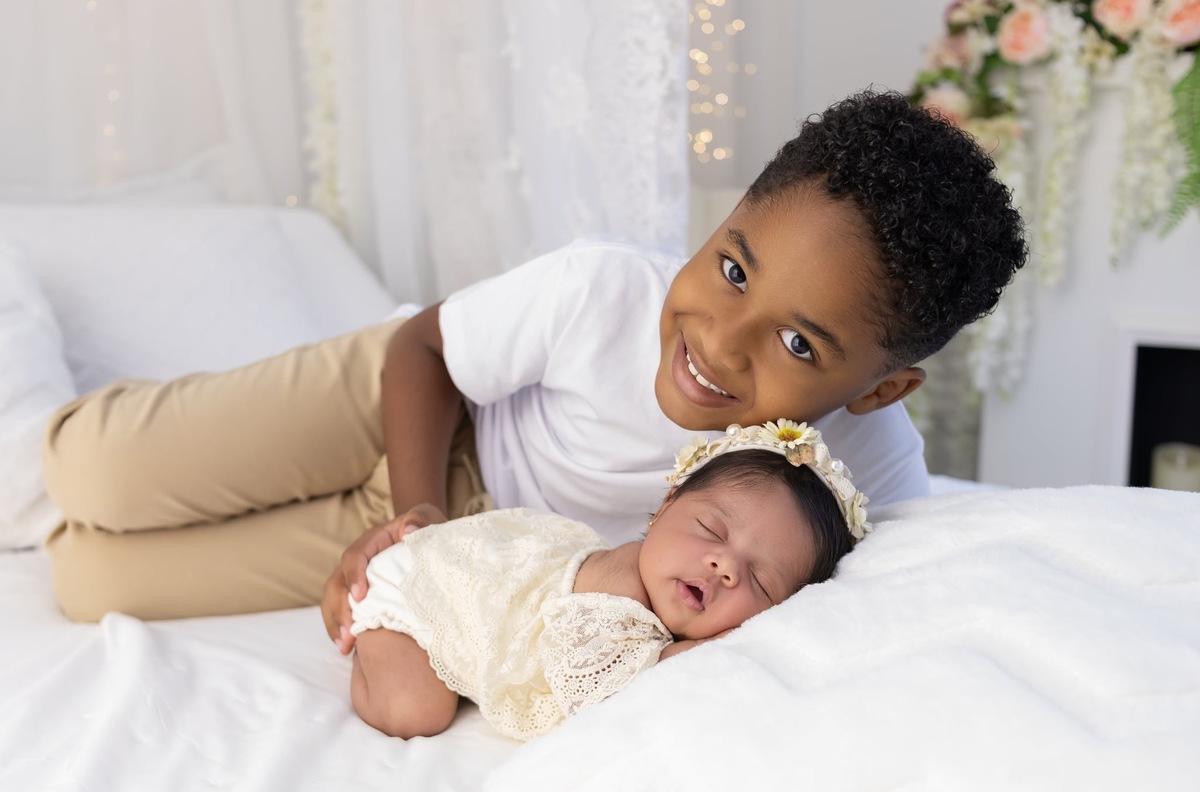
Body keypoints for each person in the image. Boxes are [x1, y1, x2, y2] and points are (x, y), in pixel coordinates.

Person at [41, 89, 1027, 628]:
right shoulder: (603, 290)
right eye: (732, 268)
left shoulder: (871, 469)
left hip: (480, 531)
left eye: (800, 342)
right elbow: (426, 347)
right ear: (722, 222)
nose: (721, 341)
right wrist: (414, 517)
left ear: (881, 388)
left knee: (88, 583)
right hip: (410, 398)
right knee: (88, 472)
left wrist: (423, 549)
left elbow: (891, 597)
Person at [348, 419, 869, 740]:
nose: (725, 566)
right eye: (711, 529)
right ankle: (364, 632)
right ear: (665, 506)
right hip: (425, 586)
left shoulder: (668, 595)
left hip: (488, 593)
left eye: (760, 580)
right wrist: (694, 652)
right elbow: (600, 692)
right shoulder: (619, 582)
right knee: (413, 712)